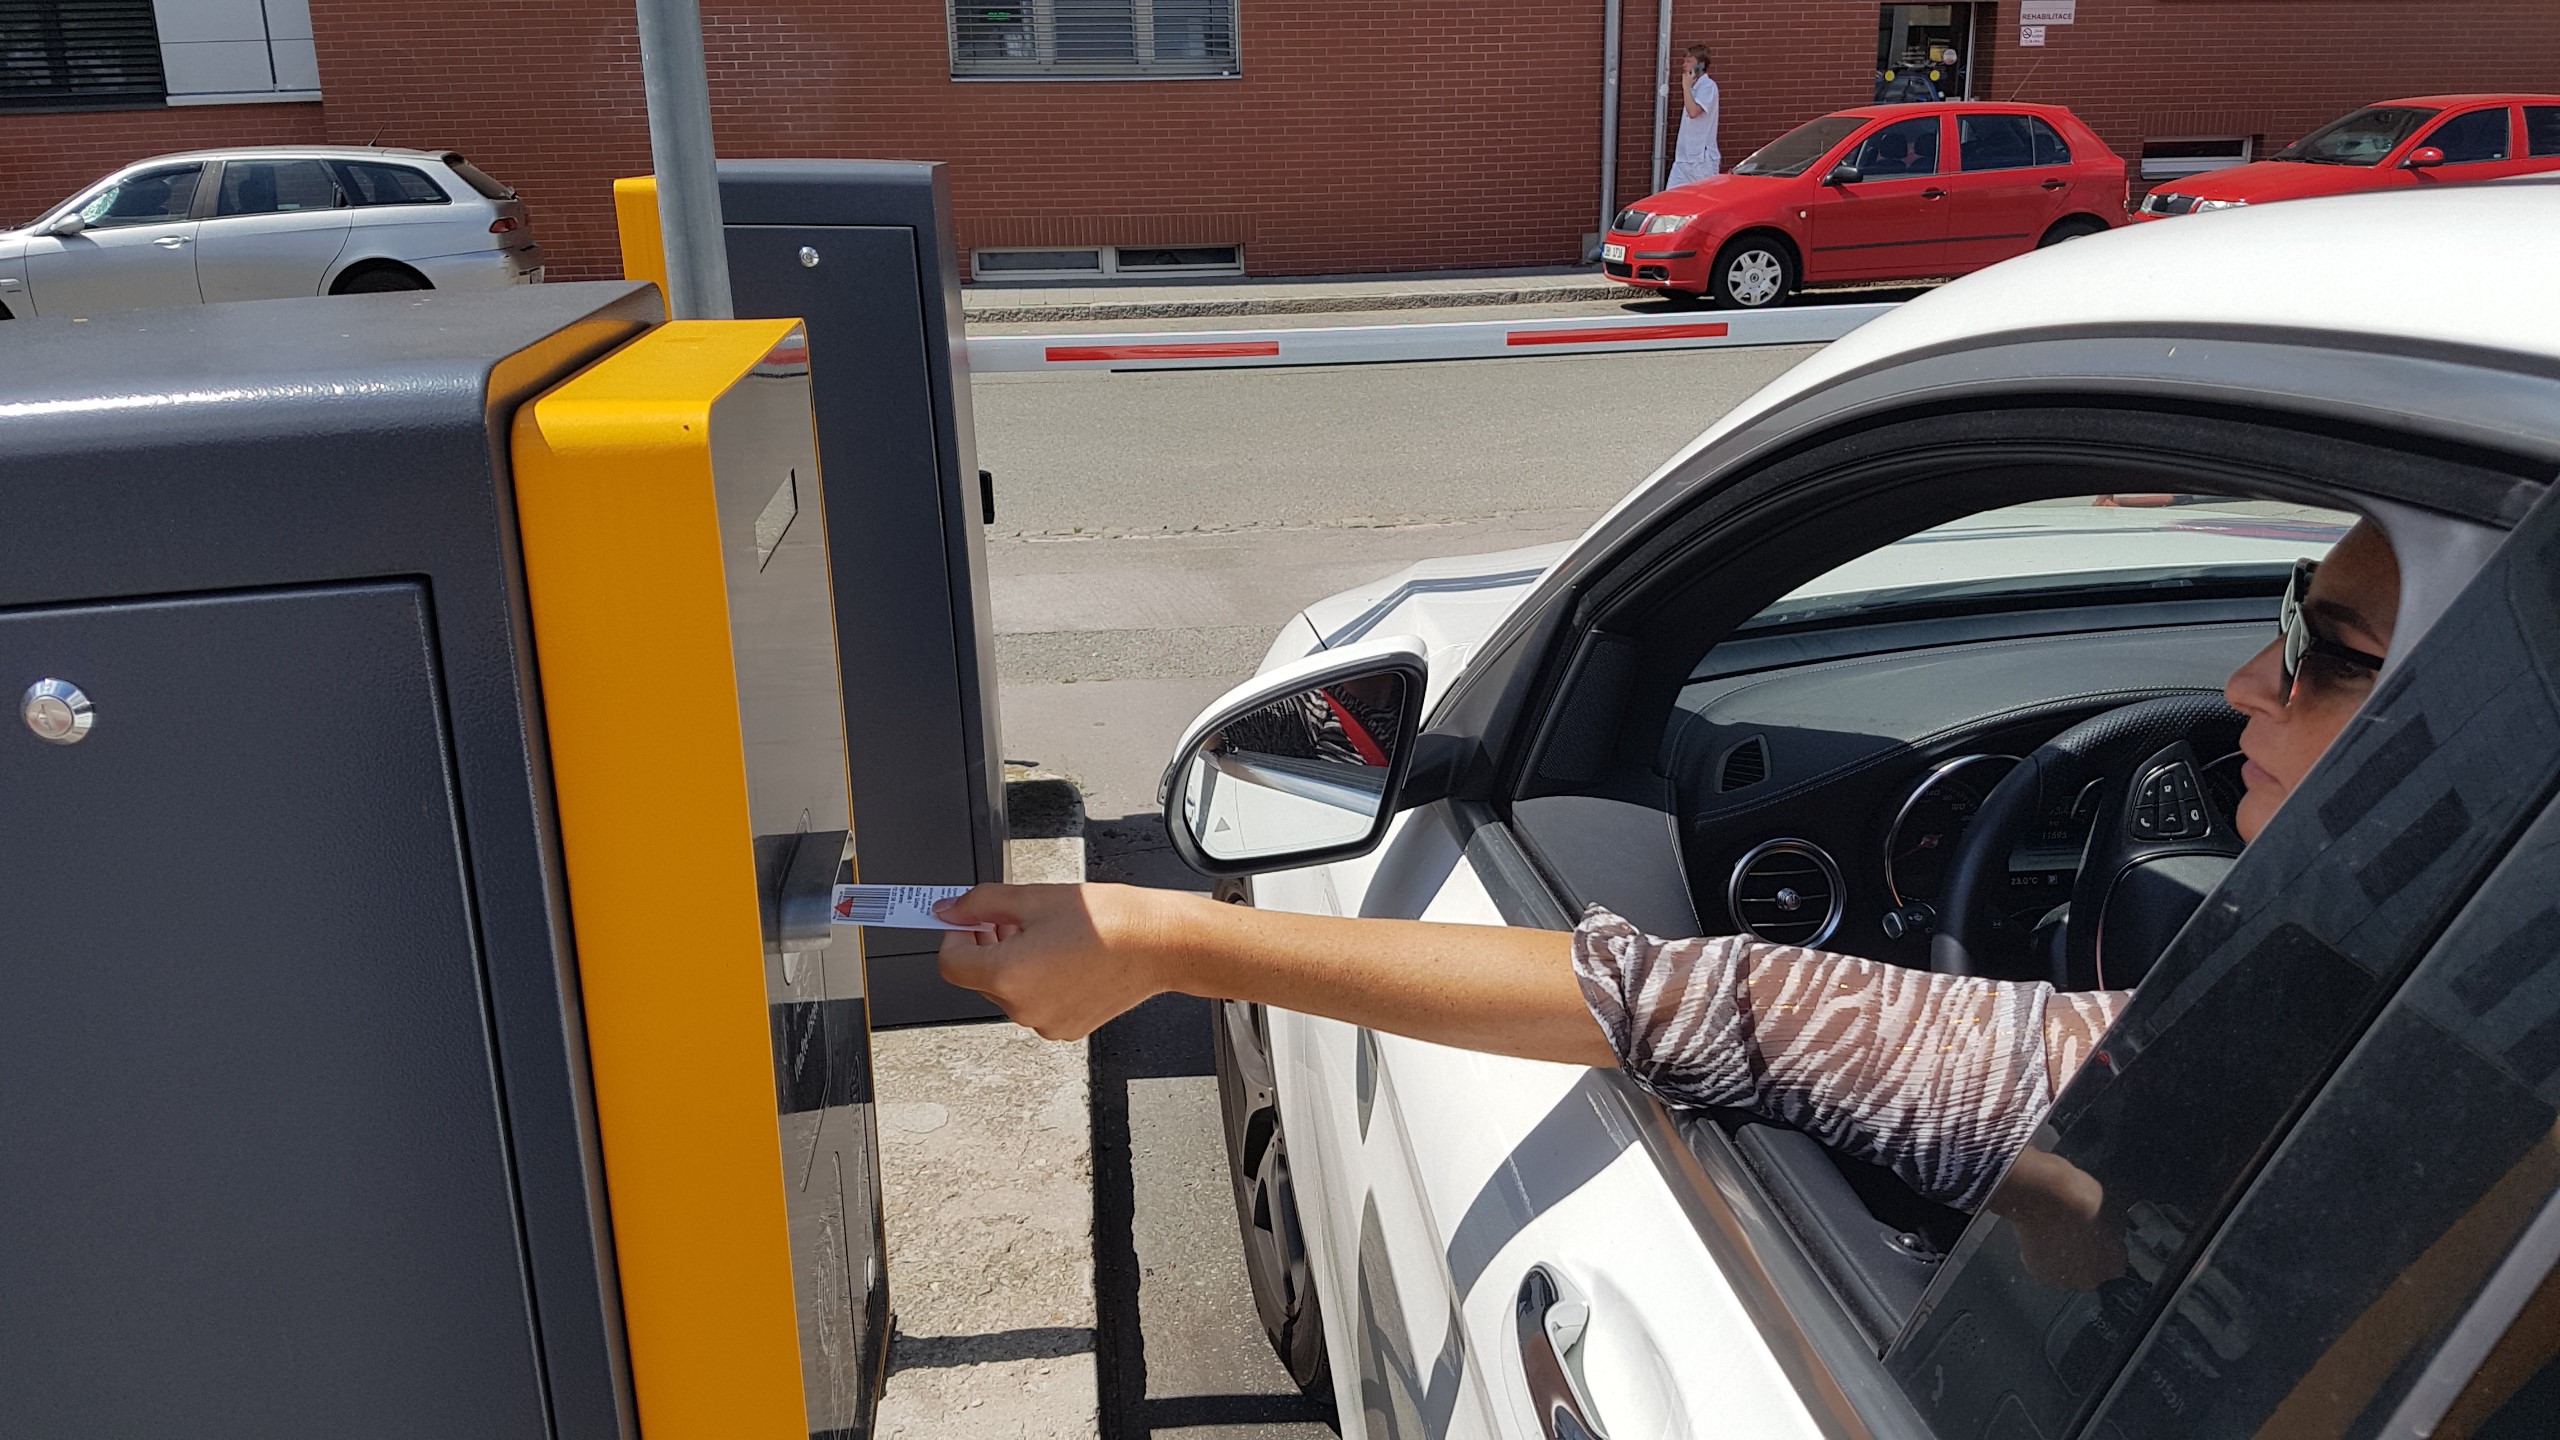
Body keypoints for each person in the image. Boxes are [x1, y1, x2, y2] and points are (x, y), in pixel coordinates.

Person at [935, 522, 2401, 1212]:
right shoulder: (2436, 1011)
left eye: (2324, 658)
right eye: (2279, 617)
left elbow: (1709, 1005)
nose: (2240, 687)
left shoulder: (2235, 1070)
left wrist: (1169, 941)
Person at [1666, 44, 1721, 187]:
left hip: (1701, 161)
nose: (1684, 65)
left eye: (1689, 61)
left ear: (1701, 64)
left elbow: (1694, 112)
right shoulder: (1694, 86)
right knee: (1671, 199)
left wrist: (1685, 87)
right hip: (1683, 159)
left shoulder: (1708, 86)